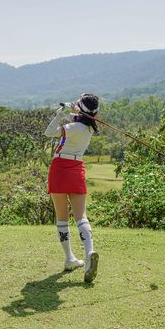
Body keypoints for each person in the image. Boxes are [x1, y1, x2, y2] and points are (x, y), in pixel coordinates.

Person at [44, 93, 100, 283]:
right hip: (77, 170)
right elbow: (78, 120)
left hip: (59, 169)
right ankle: (89, 251)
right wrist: (74, 112)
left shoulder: (71, 127)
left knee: (62, 217)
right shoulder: (89, 128)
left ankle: (69, 258)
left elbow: (49, 132)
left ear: (81, 108)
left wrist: (60, 113)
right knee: (80, 216)